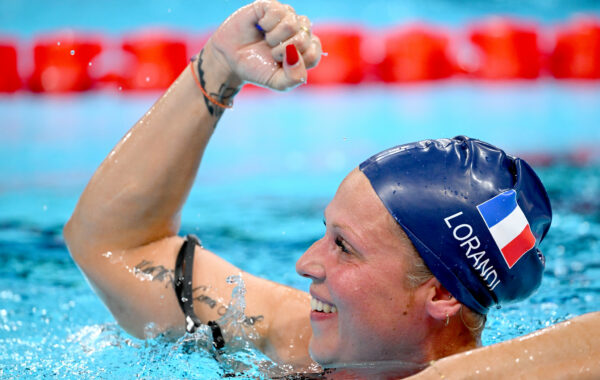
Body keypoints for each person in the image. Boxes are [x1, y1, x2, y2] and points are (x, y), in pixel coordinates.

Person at [64, 0, 600, 378]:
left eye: (344, 246)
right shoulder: (292, 345)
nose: (304, 264)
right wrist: (217, 68)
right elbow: (116, 246)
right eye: (327, 234)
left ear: (439, 293)